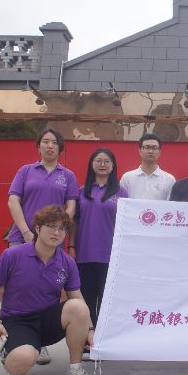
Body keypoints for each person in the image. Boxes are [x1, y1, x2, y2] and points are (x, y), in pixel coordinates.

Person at [0, 205, 97, 375]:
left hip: (48, 319)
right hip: (18, 320)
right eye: (51, 226)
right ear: (37, 228)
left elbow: (77, 296)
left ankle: (75, 370)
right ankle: (12, 355)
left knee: (78, 307)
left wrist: (90, 329)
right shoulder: (13, 255)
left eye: (62, 229)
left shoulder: (67, 262)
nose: (57, 233)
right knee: (22, 361)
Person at [6, 128, 79, 365]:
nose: (50, 146)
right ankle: (15, 337)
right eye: (45, 142)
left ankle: (41, 340)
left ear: (60, 148)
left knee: (48, 288)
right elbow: (13, 201)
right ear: (38, 146)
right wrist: (27, 233)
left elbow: (71, 206)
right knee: (20, 288)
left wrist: (59, 229)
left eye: (54, 142)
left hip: (52, 241)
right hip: (23, 238)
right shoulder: (26, 171)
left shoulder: (67, 175)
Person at [69, 148, 128, 350]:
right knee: (86, 299)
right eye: (98, 160)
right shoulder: (81, 191)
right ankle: (87, 342)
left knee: (106, 301)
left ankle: (104, 342)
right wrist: (71, 245)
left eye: (107, 161)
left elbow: (126, 225)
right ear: (91, 164)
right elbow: (74, 222)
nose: (102, 164)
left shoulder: (121, 193)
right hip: (84, 253)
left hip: (110, 255)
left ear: (113, 166)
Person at [120, 133, 176, 200]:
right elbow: (122, 203)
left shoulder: (169, 180)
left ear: (159, 152)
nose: (150, 151)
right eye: (147, 147)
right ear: (140, 151)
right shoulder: (127, 178)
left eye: (154, 148)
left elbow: (171, 205)